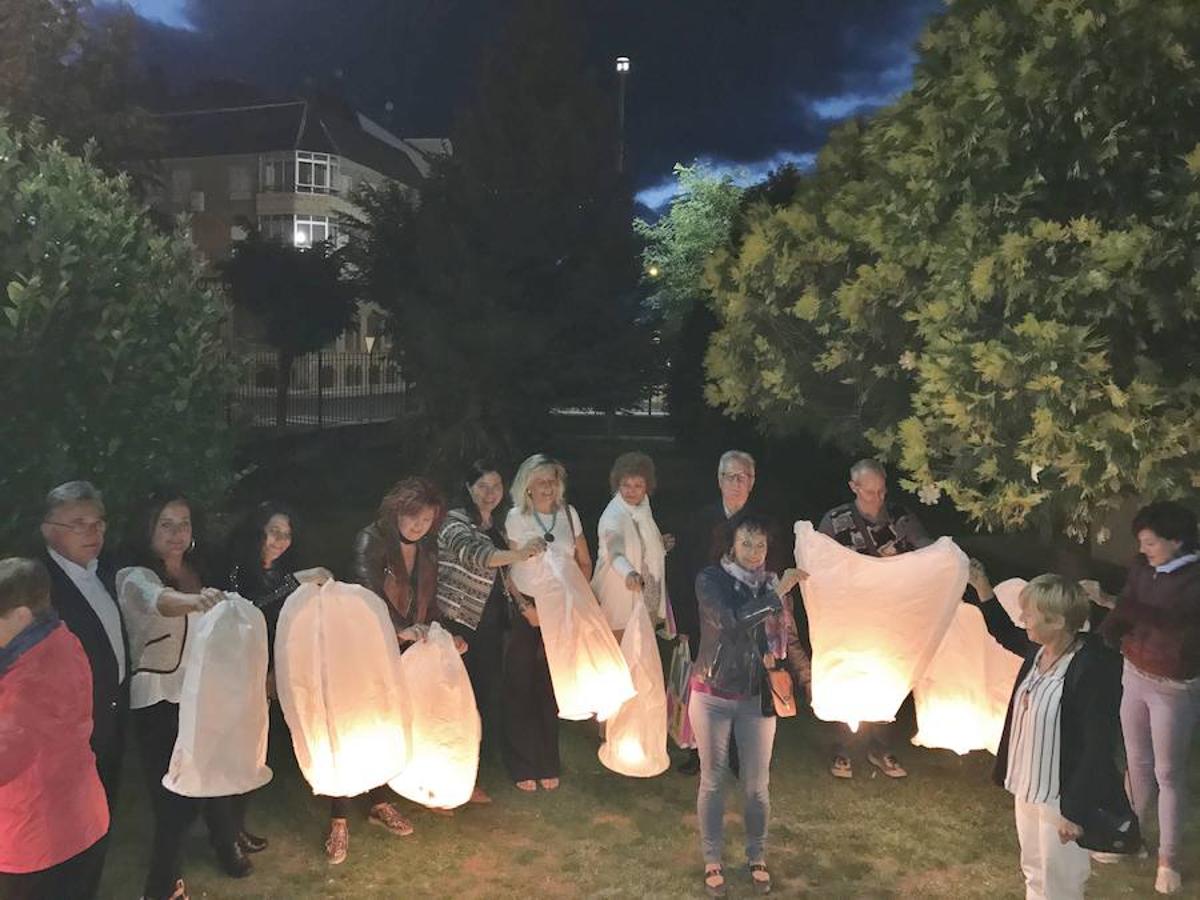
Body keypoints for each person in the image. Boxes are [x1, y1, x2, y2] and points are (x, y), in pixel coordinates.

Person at [970, 563, 1128, 900]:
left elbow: (1097, 744)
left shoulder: (1091, 666)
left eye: (1030, 614)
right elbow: (1003, 631)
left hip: (1063, 794)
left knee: (1063, 880)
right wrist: (982, 586)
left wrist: (1076, 808)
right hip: (1028, 784)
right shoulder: (1040, 650)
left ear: (1057, 622)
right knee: (1034, 868)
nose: (1024, 619)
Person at [117, 490, 246, 900]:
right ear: (148, 529)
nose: (176, 534)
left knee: (208, 776)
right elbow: (162, 602)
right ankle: (161, 888)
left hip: (199, 694)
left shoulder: (199, 568)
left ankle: (225, 842)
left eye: (184, 524)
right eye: (166, 525)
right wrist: (195, 600)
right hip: (158, 699)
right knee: (173, 800)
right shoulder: (133, 575)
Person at [321, 477, 457, 865]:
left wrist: (437, 632)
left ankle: (380, 801)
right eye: (413, 515)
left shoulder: (428, 548)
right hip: (367, 645)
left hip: (405, 647)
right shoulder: (372, 540)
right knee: (355, 725)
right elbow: (367, 590)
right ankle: (339, 818)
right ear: (398, 510)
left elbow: (429, 600)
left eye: (427, 518)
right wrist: (398, 628)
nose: (418, 525)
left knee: (391, 723)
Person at [690, 516, 806, 896]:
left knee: (757, 786)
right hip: (713, 692)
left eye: (760, 546)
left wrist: (809, 678)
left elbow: (787, 638)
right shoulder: (711, 580)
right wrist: (775, 596)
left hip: (757, 697)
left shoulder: (773, 584)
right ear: (731, 546)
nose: (754, 554)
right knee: (714, 780)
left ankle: (756, 855)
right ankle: (712, 860)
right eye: (746, 545)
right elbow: (730, 622)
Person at [669, 450, 803, 776]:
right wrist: (686, 623)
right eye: (730, 476)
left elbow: (776, 572)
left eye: (743, 476)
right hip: (709, 620)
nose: (736, 483)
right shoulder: (700, 520)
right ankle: (701, 753)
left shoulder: (766, 525)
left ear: (752, 481)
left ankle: (739, 753)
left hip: (753, 621)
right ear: (719, 480)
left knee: (746, 689)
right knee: (706, 689)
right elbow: (684, 571)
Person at [1096, 501, 1199, 895]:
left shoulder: (1193, 580)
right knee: (1135, 762)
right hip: (1134, 671)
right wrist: (1108, 632)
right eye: (1141, 543)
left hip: (1174, 685)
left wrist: (1121, 607)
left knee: (1168, 773)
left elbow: (1175, 623)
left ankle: (1168, 859)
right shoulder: (1143, 567)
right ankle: (1129, 837)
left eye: (1152, 543)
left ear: (1177, 541)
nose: (1144, 550)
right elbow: (1128, 603)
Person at [224, 501, 332, 861]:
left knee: (256, 752)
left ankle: (236, 828)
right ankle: (226, 837)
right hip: (238, 671)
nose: (279, 540)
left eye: (286, 534)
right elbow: (247, 606)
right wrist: (297, 580)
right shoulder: (237, 569)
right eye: (273, 531)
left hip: (268, 672)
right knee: (236, 753)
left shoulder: (280, 571)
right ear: (257, 530)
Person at [0, 558, 110, 900]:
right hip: (77, 819)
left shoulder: (32, 681)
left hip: (42, 838)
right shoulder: (58, 638)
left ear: (21, 615)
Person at [817, 458, 930, 780]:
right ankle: (841, 747)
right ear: (854, 488)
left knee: (888, 676)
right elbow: (821, 561)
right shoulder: (836, 521)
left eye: (881, 491)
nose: (877, 498)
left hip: (891, 617)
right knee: (846, 676)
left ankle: (880, 746)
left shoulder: (900, 518)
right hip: (849, 617)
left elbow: (925, 550)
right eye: (869, 492)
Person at [437, 461, 545, 778]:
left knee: (484, 693)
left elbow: (502, 573)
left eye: (496, 486)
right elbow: (477, 556)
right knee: (458, 694)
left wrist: (523, 605)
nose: (490, 493)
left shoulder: (491, 525)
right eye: (483, 486)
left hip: (491, 622)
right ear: (469, 488)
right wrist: (521, 553)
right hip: (461, 620)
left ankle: (473, 765)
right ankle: (451, 767)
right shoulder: (454, 522)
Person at [38, 481, 128, 808]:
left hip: (111, 721)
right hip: (68, 733)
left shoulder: (104, 570)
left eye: (98, 523)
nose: (93, 532)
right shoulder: (38, 588)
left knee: (104, 808)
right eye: (78, 524)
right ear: (49, 530)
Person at [502, 454, 588, 792]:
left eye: (551, 479)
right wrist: (525, 607)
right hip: (527, 608)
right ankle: (522, 763)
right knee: (520, 684)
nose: (546, 486)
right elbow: (508, 569)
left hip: (561, 608)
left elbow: (584, 559)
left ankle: (548, 761)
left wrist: (577, 600)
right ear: (526, 486)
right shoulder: (515, 518)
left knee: (551, 684)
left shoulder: (569, 514)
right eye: (539, 481)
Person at [592, 451, 674, 640]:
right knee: (619, 654)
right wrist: (628, 572)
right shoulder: (613, 516)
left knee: (643, 654)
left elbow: (640, 541)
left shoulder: (643, 507)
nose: (631, 491)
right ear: (617, 485)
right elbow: (615, 552)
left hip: (648, 595)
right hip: (621, 592)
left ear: (647, 486)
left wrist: (659, 544)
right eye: (626, 485)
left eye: (638, 485)